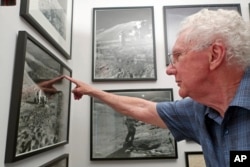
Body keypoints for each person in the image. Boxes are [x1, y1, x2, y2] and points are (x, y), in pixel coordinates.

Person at [64, 8, 250, 167]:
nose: (169, 70)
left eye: (177, 56)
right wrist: (92, 91)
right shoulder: (198, 111)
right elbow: (142, 108)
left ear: (214, 55)